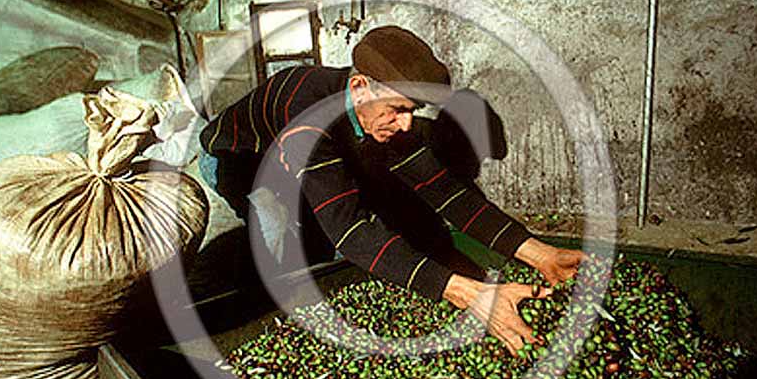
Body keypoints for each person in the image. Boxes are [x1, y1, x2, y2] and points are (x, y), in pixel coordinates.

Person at [199, 25, 584, 355]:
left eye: (412, 112)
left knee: (329, 230)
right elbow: (350, 229)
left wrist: (539, 253)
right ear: (360, 87)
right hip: (241, 160)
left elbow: (448, 194)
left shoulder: (380, 112)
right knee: (280, 239)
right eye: (398, 110)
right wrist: (468, 294)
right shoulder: (307, 115)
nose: (405, 125)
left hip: (297, 154)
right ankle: (259, 319)